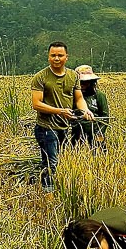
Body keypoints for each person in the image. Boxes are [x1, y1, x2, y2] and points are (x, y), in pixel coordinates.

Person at [31, 42, 93, 191]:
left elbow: (78, 98)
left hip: (64, 127)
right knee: (52, 162)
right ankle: (48, 193)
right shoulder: (40, 77)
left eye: (60, 55)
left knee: (54, 161)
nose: (56, 58)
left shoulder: (73, 76)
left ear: (67, 57)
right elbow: (36, 104)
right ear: (48, 57)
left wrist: (85, 111)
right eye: (53, 55)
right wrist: (60, 111)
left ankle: (51, 187)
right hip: (46, 127)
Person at [71, 64, 110, 151]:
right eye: (80, 82)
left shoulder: (99, 96)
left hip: (94, 131)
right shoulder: (72, 96)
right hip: (76, 133)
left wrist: (99, 133)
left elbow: (105, 118)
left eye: (86, 82)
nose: (83, 85)